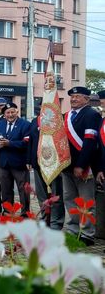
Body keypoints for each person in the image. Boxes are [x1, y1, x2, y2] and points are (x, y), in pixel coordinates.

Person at [62, 86, 101, 246]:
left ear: (86, 99)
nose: (73, 99)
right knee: (70, 199)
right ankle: (72, 230)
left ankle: (87, 234)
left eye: (77, 96)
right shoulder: (67, 115)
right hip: (67, 165)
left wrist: (81, 165)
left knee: (86, 202)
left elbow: (90, 142)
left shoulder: (91, 114)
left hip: (84, 167)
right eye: (72, 97)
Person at [26, 115, 64, 230]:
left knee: (56, 195)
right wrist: (29, 160)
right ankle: (45, 219)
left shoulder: (59, 119)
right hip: (38, 163)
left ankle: (56, 222)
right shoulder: (35, 121)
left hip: (54, 164)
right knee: (42, 195)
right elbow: (30, 141)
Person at [0, 103, 31, 214]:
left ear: (17, 112)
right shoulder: (0, 124)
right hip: (4, 164)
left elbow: (26, 143)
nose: (10, 115)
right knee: (6, 190)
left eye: (12, 112)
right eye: (7, 113)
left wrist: (10, 143)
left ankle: (25, 212)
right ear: (4, 114)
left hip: (19, 163)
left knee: (23, 190)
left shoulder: (25, 125)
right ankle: (8, 212)